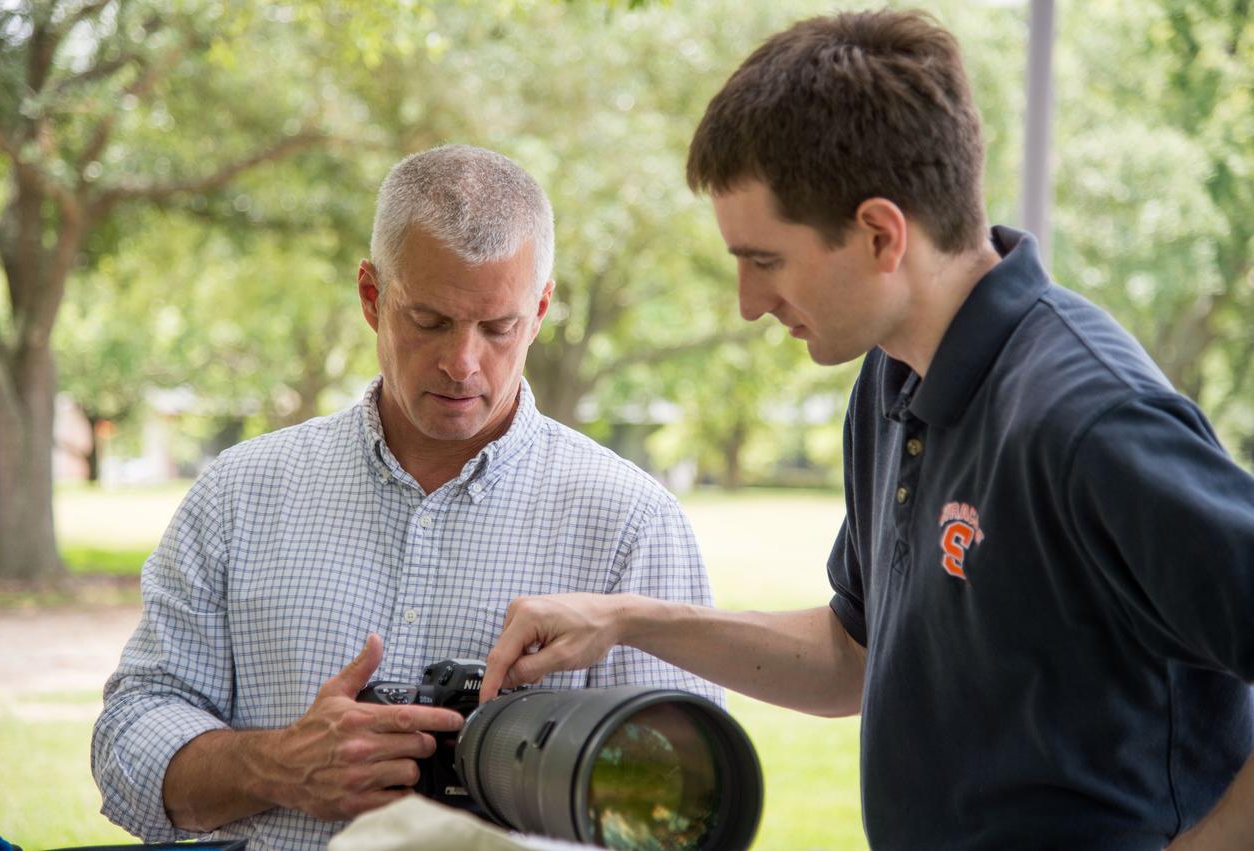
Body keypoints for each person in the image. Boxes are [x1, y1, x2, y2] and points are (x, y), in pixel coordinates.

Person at [480, 10, 1254, 849]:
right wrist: (625, 619)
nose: (747, 303)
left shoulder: (1087, 419)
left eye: (764, 260)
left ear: (880, 234)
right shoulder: (891, 378)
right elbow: (851, 656)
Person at [92, 144, 722, 850]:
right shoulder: (240, 493)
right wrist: (276, 765)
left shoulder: (632, 523)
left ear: (541, 308)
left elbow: (688, 805)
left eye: (498, 327)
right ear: (371, 296)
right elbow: (127, 740)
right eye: (429, 320)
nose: (461, 363)